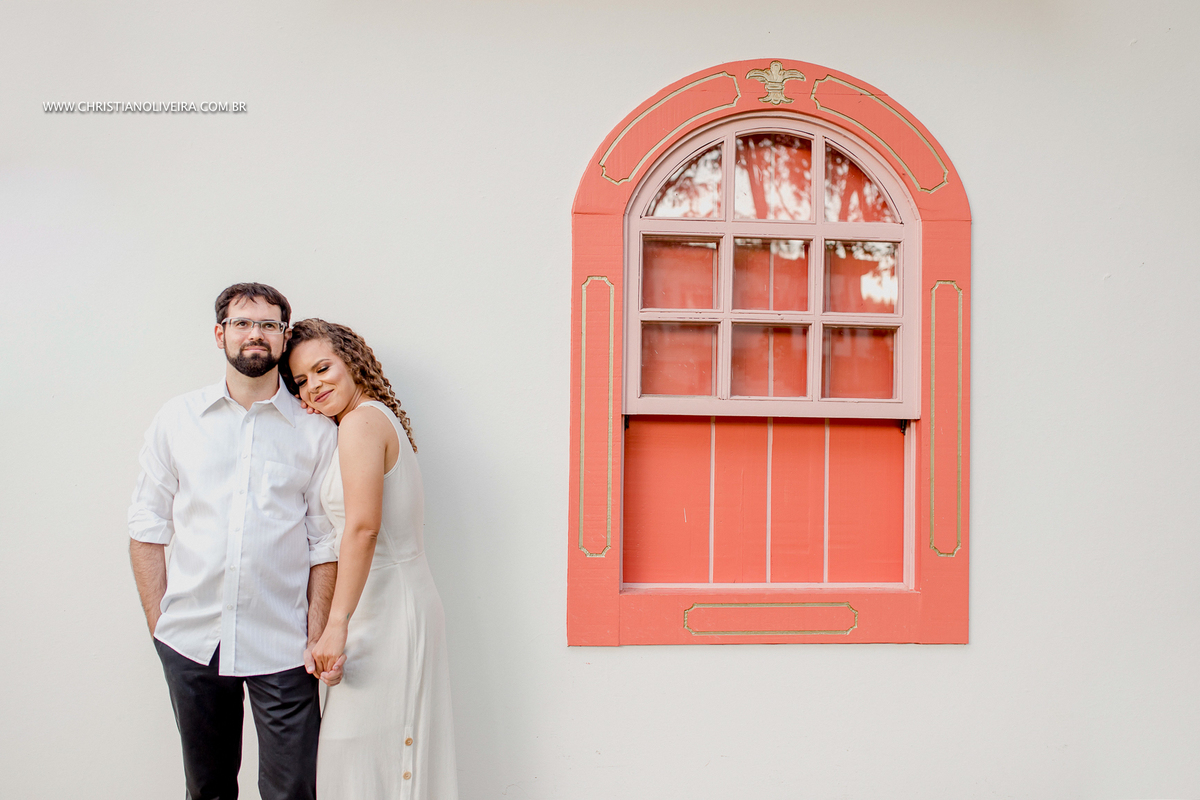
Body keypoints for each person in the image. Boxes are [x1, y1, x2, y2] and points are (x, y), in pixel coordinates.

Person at [128, 283, 340, 800]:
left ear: (283, 337)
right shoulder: (178, 420)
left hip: (286, 645)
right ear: (220, 334)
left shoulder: (314, 431)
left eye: (268, 325)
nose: (256, 335)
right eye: (243, 323)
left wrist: (314, 632)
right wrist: (162, 629)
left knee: (292, 791)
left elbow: (325, 541)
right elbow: (147, 527)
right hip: (192, 642)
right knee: (208, 789)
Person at [281, 319, 458, 800]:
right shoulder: (365, 420)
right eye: (300, 381)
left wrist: (336, 625)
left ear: (352, 361)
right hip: (380, 604)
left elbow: (362, 528)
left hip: (387, 612)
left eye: (322, 369)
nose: (314, 385)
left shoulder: (361, 423)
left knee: (359, 752)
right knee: (362, 755)